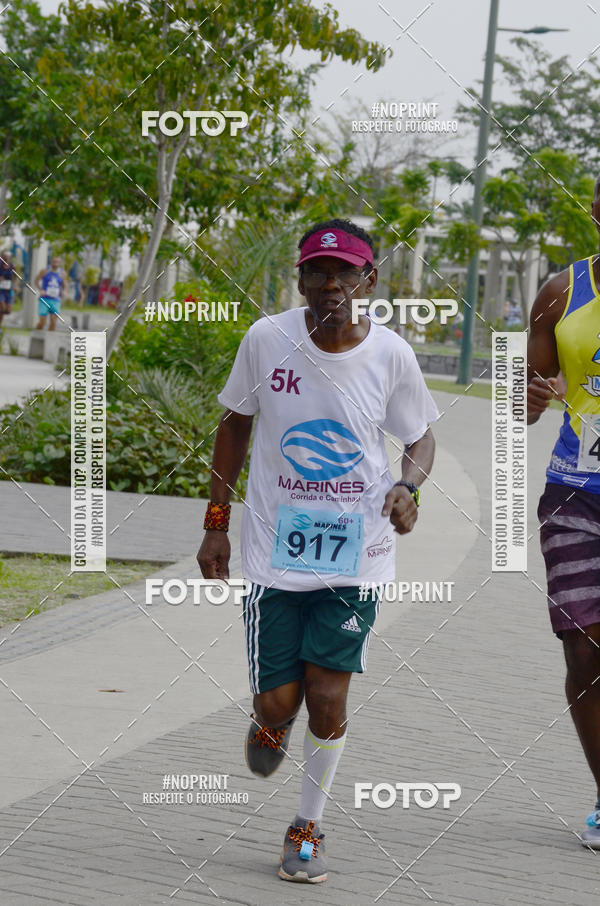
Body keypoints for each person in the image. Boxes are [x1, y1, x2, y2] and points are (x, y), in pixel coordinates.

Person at [197, 218, 439, 882]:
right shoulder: (265, 340)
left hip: (357, 555)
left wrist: (406, 486)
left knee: (328, 696)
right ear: (299, 278)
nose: (330, 284)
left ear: (370, 279)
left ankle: (306, 826)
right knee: (279, 700)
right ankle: (269, 723)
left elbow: (420, 439)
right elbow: (233, 427)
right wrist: (217, 522)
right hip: (275, 554)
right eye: (316, 271)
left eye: (344, 272)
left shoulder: (389, 354)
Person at [527, 175, 600, 849]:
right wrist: (538, 392)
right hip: (576, 490)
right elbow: (523, 400)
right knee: (584, 649)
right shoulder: (561, 292)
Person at [34, 255, 65, 331]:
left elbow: (64, 284)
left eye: (57, 262)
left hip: (56, 300)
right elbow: (36, 281)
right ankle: (36, 336)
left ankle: (50, 339)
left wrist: (64, 291)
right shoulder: (45, 271)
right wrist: (41, 290)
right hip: (45, 299)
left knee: (53, 321)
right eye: (54, 261)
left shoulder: (62, 273)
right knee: (42, 322)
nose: (56, 264)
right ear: (51, 261)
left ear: (60, 262)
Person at [0, 249, 14, 328]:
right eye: (6, 256)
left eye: (9, 256)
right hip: (0, 290)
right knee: (2, 306)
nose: (7, 258)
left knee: (7, 311)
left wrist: (15, 285)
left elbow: (15, 276)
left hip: (8, 290)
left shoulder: (11, 265)